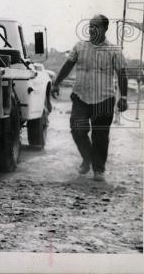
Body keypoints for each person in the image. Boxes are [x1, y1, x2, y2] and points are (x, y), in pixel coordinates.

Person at [51, 15, 128, 181]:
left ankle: (98, 169)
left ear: (105, 29)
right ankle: (88, 158)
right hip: (81, 96)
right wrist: (56, 83)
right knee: (77, 130)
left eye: (96, 26)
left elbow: (122, 74)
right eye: (90, 26)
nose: (92, 29)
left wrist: (124, 97)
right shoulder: (80, 46)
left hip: (104, 98)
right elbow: (67, 65)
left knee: (100, 134)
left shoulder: (114, 50)